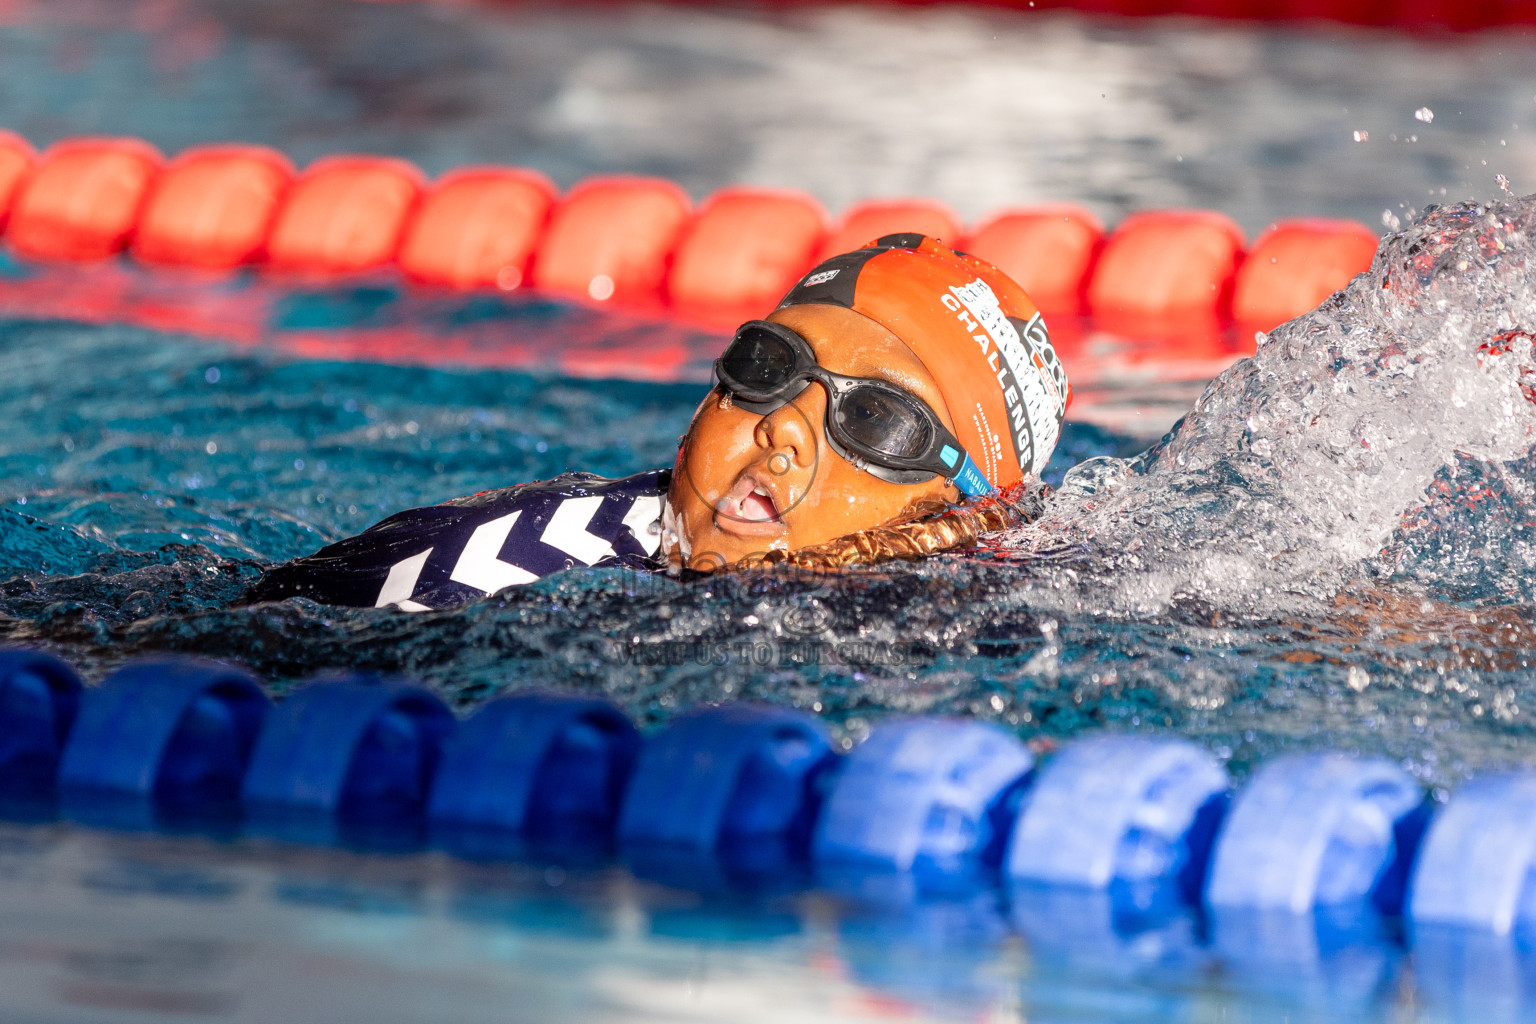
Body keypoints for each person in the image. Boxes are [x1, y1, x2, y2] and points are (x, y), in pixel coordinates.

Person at [247, 233, 1070, 611]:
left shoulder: (1023, 600)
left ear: (964, 511)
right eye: (770, 366)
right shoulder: (508, 565)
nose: (786, 426)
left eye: (878, 419)